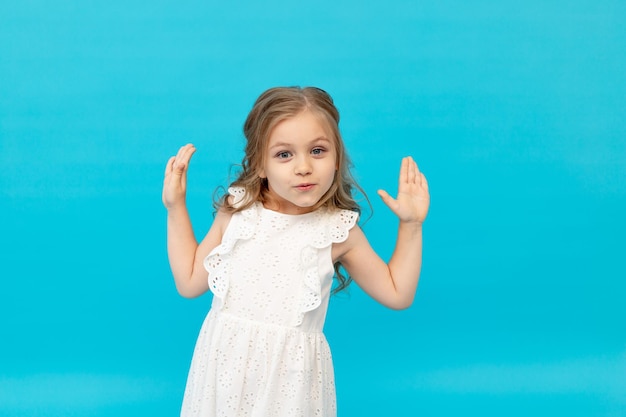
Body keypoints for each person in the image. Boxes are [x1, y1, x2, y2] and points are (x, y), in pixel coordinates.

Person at [162, 86, 430, 417]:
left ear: (336, 158)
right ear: (260, 164)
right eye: (284, 154)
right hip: (223, 374)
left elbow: (397, 293)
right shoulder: (238, 212)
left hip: (290, 386)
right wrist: (175, 208)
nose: (303, 167)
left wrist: (412, 226)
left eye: (317, 151)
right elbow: (190, 282)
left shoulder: (337, 231)